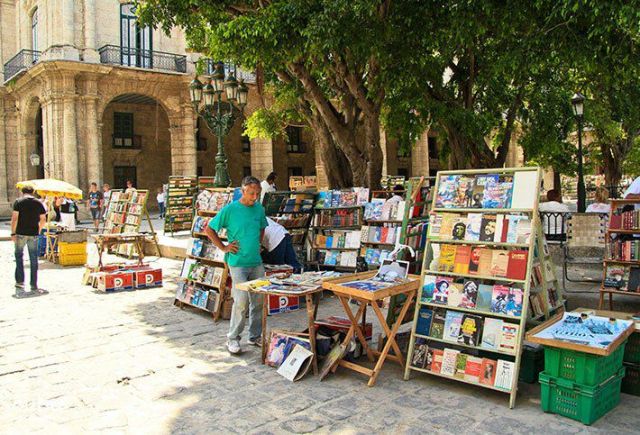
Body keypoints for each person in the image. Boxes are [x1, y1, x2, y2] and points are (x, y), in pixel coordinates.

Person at [205, 176, 268, 354]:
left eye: (257, 193)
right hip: (238, 262)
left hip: (256, 261)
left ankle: (255, 335)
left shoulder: (259, 209)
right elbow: (209, 229)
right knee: (240, 301)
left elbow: (262, 227)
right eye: (251, 193)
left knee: (259, 300)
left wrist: (259, 243)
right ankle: (233, 338)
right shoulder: (230, 210)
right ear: (242, 191)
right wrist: (224, 247)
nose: (254, 197)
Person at [11, 185, 47, 295]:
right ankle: (33, 284)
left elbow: (15, 218)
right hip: (33, 234)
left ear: (23, 192)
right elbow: (43, 219)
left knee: (19, 257)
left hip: (21, 233)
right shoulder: (38, 202)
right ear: (33, 192)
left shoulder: (18, 202)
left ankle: (20, 282)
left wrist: (13, 232)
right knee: (33, 259)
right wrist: (38, 229)